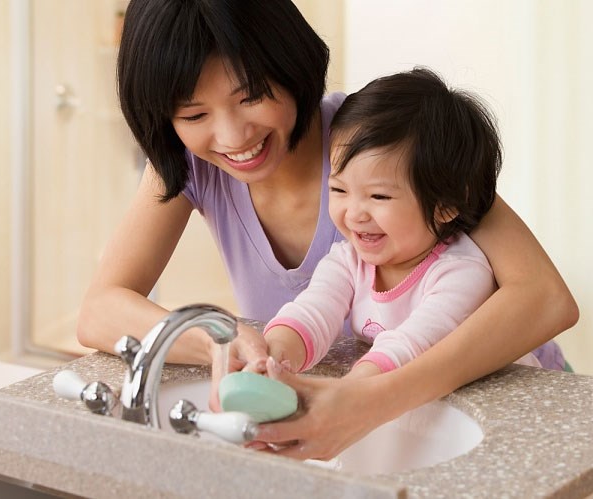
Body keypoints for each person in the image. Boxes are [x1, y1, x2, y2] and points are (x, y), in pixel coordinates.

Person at [76, 0, 578, 458]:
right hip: (363, 410)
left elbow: (545, 298)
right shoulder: (190, 164)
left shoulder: (381, 142)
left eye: (251, 96)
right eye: (194, 113)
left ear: (290, 63)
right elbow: (99, 312)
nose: (231, 137)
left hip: (509, 401)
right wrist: (221, 343)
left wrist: (372, 398)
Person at [261, 68, 541, 378]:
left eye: (379, 196)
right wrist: (271, 358)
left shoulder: (462, 272)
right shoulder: (348, 260)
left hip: (503, 400)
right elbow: (312, 313)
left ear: (446, 205)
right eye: (339, 190)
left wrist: (349, 391)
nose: (354, 214)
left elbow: (409, 349)